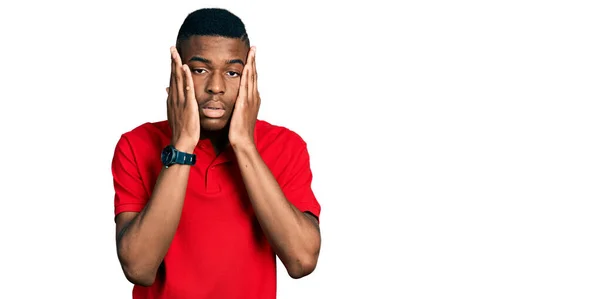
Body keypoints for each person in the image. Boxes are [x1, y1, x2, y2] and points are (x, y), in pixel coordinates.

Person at [110, 8, 322, 299]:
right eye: (200, 70)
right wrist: (182, 144)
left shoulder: (286, 146)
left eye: (233, 72)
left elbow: (302, 260)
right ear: (176, 72)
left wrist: (245, 145)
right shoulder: (136, 144)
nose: (216, 87)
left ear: (250, 78)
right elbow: (139, 268)